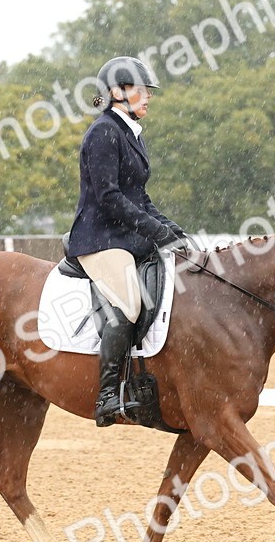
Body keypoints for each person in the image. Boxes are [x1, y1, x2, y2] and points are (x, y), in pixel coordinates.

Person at [66, 56, 192, 427]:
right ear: (118, 93)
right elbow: (108, 197)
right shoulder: (103, 132)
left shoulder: (130, 133)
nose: (148, 97)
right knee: (130, 305)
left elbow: (138, 196)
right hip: (100, 239)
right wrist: (153, 231)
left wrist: (170, 228)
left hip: (124, 236)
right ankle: (107, 395)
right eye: (142, 90)